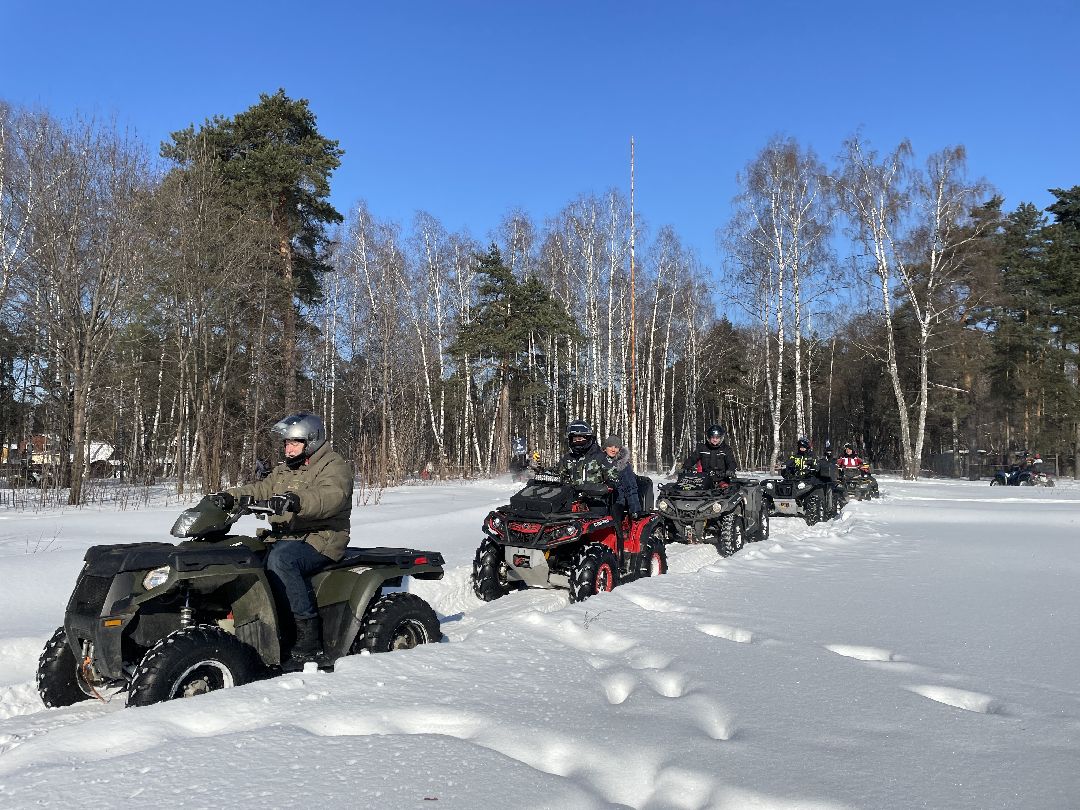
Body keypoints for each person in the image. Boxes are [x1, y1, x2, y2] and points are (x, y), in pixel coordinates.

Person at [210, 412, 353, 671]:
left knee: (282, 560)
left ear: (312, 441)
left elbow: (331, 496)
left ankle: (308, 640)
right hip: (285, 536)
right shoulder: (286, 469)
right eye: (286, 443)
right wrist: (230, 496)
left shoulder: (333, 466)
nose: (288, 448)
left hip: (322, 537)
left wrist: (296, 501)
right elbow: (261, 490)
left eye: (294, 443)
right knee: (242, 555)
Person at [554, 420, 620, 498]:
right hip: (571, 501)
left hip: (596, 502)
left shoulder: (600, 457)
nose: (577, 441)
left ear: (588, 438)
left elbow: (614, 479)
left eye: (580, 439)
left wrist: (601, 488)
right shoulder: (567, 459)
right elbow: (557, 476)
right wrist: (543, 474)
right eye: (574, 439)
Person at [601, 435, 643, 521]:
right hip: (600, 501)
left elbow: (630, 487)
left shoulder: (623, 465)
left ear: (619, 449)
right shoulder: (597, 462)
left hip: (617, 501)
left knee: (614, 522)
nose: (613, 449)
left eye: (616, 447)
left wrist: (635, 509)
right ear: (605, 448)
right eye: (610, 446)